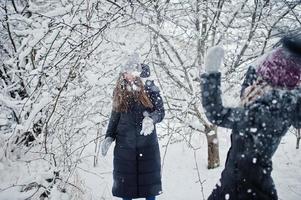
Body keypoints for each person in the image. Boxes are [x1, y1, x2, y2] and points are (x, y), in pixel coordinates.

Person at [200, 35, 301, 200]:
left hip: (242, 189)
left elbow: (216, 114)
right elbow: (247, 93)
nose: (251, 85)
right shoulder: (282, 106)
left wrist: (211, 74)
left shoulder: (262, 114)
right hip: (243, 184)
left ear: (266, 81)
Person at [101, 54, 165, 200]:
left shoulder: (150, 87)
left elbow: (161, 111)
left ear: (137, 72)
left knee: (150, 190)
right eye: (125, 72)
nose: (127, 75)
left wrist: (151, 119)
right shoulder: (120, 89)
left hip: (147, 146)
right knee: (126, 190)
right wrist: (109, 137)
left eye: (130, 72)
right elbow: (115, 116)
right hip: (125, 148)